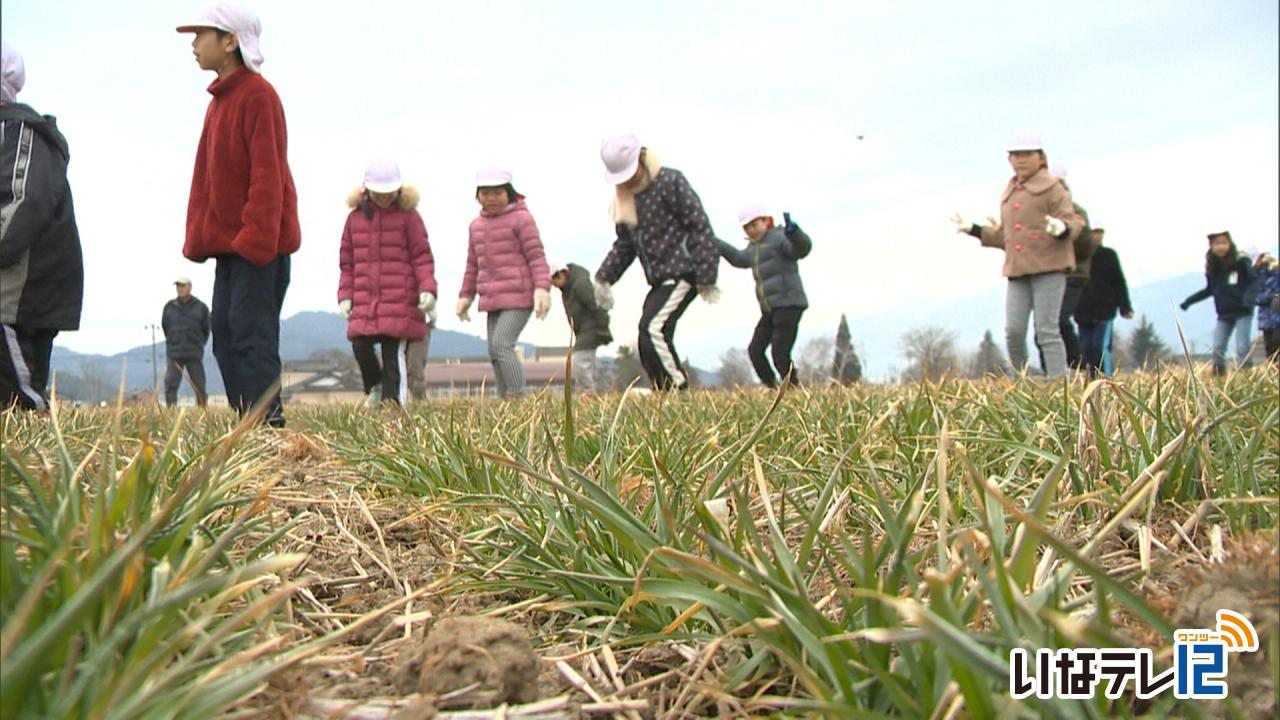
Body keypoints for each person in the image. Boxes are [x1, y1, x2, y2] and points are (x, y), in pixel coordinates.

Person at [177, 3, 300, 426]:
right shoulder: (219, 102)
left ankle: (269, 423)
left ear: (230, 41)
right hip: (233, 247)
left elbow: (268, 177)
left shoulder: (258, 97)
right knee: (225, 338)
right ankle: (246, 420)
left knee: (251, 334)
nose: (194, 45)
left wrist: (254, 240)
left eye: (201, 35)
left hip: (257, 245)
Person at [952, 129, 1083, 380]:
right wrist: (975, 230)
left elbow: (1073, 222)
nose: (1021, 160)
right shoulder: (1011, 191)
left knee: (1047, 330)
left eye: (1027, 154)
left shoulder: (1052, 188)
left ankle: (1058, 383)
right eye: (1015, 155)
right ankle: (1022, 383)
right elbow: (1008, 237)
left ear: (1040, 157)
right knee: (1013, 331)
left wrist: (1063, 229)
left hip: (1048, 268)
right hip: (1018, 270)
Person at [594, 133, 721, 391]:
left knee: (653, 329)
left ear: (641, 158)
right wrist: (604, 277)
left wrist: (707, 275)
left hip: (685, 272)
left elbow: (699, 226)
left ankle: (678, 390)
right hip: (660, 280)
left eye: (631, 174)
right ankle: (662, 392)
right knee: (646, 338)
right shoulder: (625, 201)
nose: (628, 181)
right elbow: (625, 245)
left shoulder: (670, 182)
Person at [0, 42, 84, 412]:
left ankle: (37, 433)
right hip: (20, 292)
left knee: (15, 398)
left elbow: (22, 201)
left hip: (18, 292)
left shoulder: (18, 131)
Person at [338, 160, 437, 406]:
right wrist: (345, 295)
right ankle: (375, 385)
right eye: (378, 193)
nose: (384, 198)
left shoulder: (410, 217)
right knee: (360, 345)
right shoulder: (354, 219)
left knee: (394, 358)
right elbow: (347, 262)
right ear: (366, 190)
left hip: (401, 302)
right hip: (365, 301)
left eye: (388, 193)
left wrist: (427, 289)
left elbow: (422, 256)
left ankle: (394, 409)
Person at [456, 165, 550, 397]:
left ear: (509, 192)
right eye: (485, 193)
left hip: (519, 295)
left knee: (502, 345)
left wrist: (542, 289)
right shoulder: (475, 226)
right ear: (477, 195)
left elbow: (536, 256)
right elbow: (472, 265)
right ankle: (504, 398)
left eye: (497, 192)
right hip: (492, 298)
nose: (492, 198)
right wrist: (465, 296)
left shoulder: (522, 219)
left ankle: (518, 397)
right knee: (494, 351)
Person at [717, 204, 812, 388]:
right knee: (755, 350)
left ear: (766, 221)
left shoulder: (779, 237)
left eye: (755, 225)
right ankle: (773, 387)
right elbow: (739, 258)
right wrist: (716, 244)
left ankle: (793, 389)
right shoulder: (755, 248)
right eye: (747, 227)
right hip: (771, 310)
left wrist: (795, 233)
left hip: (789, 304)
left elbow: (801, 250)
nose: (751, 230)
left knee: (780, 353)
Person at [1040, 162, 1096, 371]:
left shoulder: (1076, 211)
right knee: (1043, 326)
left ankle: (1077, 366)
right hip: (1047, 273)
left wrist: (1067, 232)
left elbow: (1086, 247)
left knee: (1059, 320)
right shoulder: (1041, 210)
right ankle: (1051, 371)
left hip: (1073, 274)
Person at [1179, 231, 1258, 375]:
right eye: (1217, 244)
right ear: (1211, 246)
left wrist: (1248, 299)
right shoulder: (1213, 267)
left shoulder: (1241, 261)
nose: (1220, 247)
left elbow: (1254, 281)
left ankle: (1246, 375)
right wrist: (1188, 302)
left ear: (1229, 244)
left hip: (1243, 310)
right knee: (1218, 347)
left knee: (1242, 346)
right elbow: (1210, 290)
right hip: (1224, 313)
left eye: (1223, 243)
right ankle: (1218, 377)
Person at [1072, 220, 1133, 378]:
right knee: (1086, 348)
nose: (1097, 236)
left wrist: (1125, 307)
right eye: (1094, 232)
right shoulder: (1076, 256)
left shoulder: (1109, 256)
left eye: (1100, 232)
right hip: (1082, 311)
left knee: (1100, 347)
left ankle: (1106, 381)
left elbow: (1118, 281)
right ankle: (1092, 380)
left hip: (1104, 311)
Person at [549, 259, 613, 393]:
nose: (553, 286)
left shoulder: (580, 285)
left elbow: (596, 306)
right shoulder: (566, 289)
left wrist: (603, 330)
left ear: (562, 274)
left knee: (579, 360)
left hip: (591, 328)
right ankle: (592, 392)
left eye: (553, 281)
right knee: (588, 363)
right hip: (582, 330)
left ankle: (588, 393)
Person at [162, 276, 211, 406]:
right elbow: (165, 327)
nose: (180, 289)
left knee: (199, 385)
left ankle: (202, 412)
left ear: (190, 287)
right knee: (170, 384)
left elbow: (206, 329)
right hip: (175, 352)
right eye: (178, 286)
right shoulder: (169, 307)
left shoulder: (201, 307)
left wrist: (198, 343)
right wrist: (173, 340)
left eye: (183, 286)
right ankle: (170, 411)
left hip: (193, 352)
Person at [1255, 251, 1280, 365]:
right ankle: (1272, 371)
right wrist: (1271, 297)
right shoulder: (1257, 276)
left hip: (1274, 318)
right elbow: (1256, 297)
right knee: (1270, 349)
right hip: (1266, 319)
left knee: (1273, 347)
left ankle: (1272, 370)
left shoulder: (1275, 275)